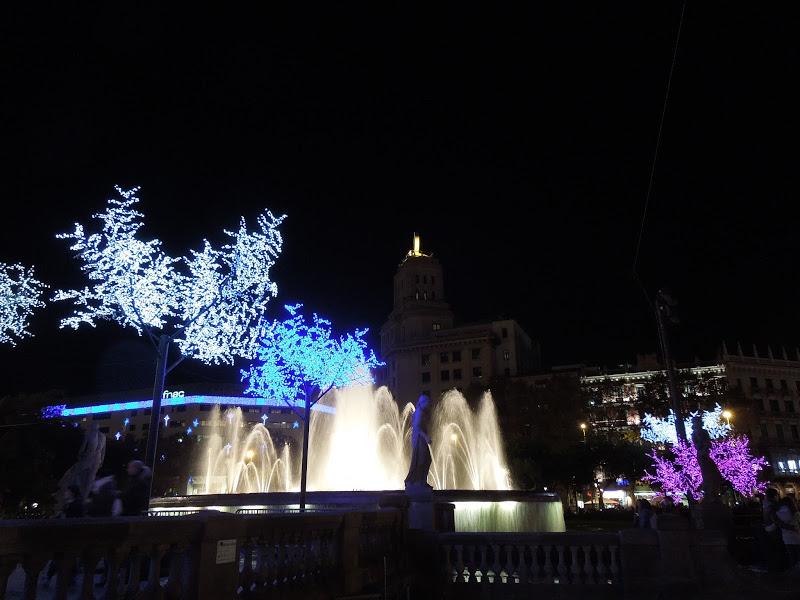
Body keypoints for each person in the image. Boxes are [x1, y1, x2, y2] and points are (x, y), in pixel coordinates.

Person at [776, 496, 800, 569]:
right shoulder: (796, 513)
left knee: (792, 557)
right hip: (797, 536)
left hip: (786, 538)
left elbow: (779, 524)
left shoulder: (778, 513)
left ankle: (794, 571)